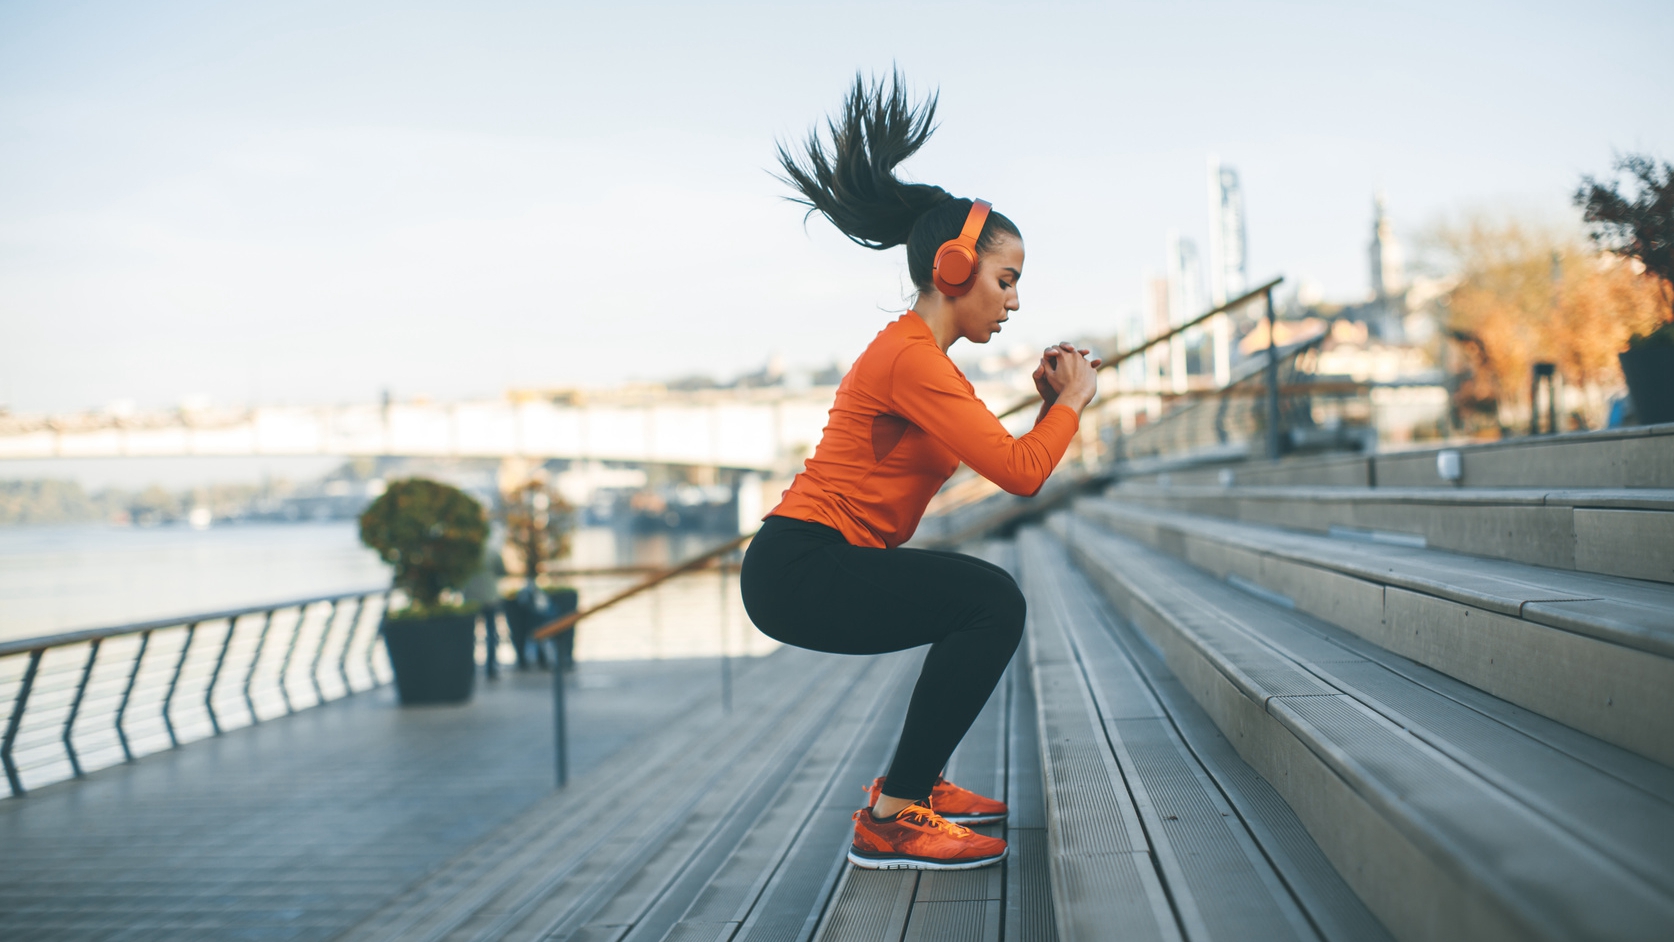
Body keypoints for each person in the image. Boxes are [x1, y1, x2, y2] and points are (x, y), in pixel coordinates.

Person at [739, 73, 1101, 872]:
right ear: (952, 269)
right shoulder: (912, 359)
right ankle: (894, 817)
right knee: (989, 601)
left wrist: (1049, 412)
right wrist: (1073, 402)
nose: (1011, 303)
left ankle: (913, 790)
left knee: (975, 602)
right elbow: (1020, 475)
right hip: (800, 566)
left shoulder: (923, 361)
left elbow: (1011, 457)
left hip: (814, 561)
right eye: (1005, 281)